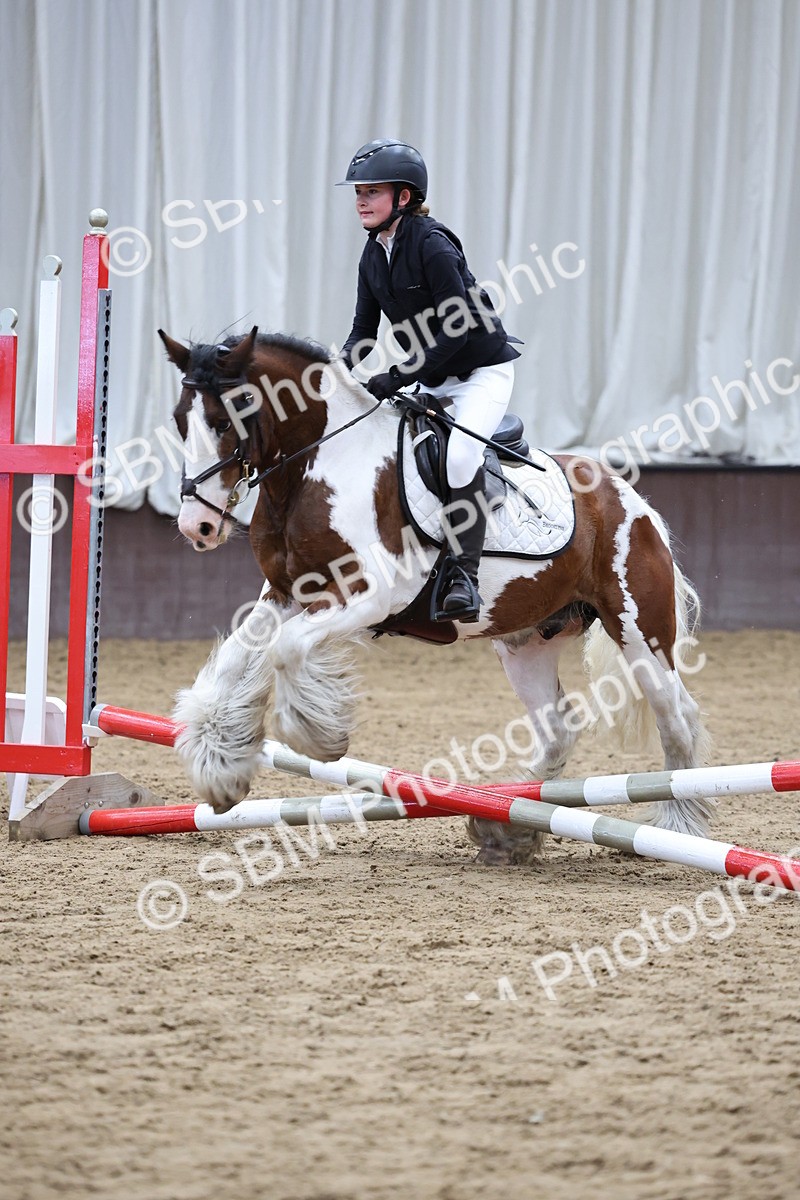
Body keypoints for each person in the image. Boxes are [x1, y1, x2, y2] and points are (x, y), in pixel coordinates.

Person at [336, 138, 521, 622]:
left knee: (459, 456)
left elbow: (455, 330)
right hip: (433, 377)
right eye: (358, 192)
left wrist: (398, 375)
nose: (361, 201)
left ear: (404, 197)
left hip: (481, 373)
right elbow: (363, 332)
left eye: (372, 192)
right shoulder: (372, 255)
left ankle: (464, 577)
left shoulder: (433, 244)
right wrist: (333, 377)